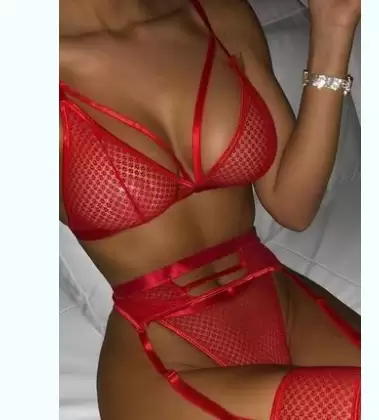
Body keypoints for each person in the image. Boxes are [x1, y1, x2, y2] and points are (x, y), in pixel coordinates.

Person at [59, 0, 361, 418]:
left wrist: (334, 24)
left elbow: (291, 205)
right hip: (165, 355)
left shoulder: (218, 13)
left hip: (279, 302)